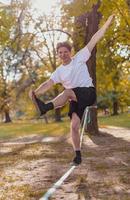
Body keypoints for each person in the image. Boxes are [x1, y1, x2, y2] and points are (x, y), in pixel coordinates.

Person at [29, 15, 115, 165]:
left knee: (68, 92)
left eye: (65, 51)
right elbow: (48, 83)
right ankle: (78, 156)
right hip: (75, 97)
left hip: (87, 92)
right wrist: (36, 92)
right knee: (74, 126)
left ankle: (45, 107)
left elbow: (94, 39)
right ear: (58, 54)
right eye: (60, 52)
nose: (63, 54)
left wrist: (107, 24)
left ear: (70, 51)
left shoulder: (80, 57)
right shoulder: (59, 71)